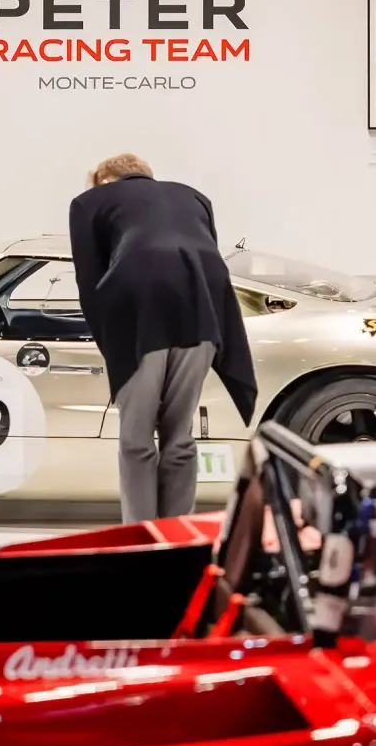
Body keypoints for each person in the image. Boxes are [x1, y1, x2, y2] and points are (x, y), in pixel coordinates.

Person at [68, 154, 258, 524]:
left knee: (137, 441)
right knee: (179, 435)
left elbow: (88, 282)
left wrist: (111, 346)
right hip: (203, 311)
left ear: (104, 180)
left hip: (138, 314)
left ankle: (140, 538)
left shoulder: (89, 201)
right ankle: (176, 534)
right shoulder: (194, 197)